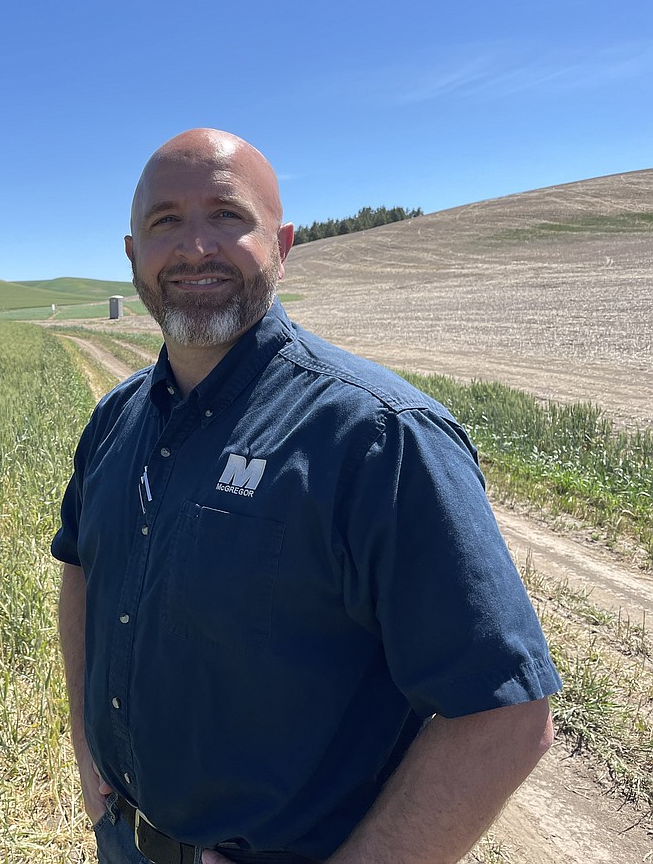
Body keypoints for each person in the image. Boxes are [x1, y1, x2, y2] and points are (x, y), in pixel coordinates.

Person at [53, 129, 561, 864]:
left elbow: (506, 715)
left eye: (227, 215)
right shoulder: (116, 419)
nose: (195, 246)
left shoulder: (379, 438)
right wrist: (84, 743)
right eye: (165, 221)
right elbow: (80, 565)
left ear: (283, 244)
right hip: (123, 842)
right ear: (133, 254)